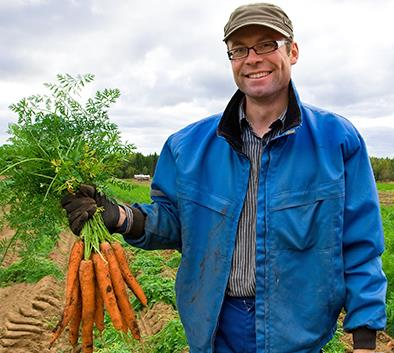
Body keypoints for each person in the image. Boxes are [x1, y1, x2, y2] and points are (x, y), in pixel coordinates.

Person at [61, 3, 387, 353]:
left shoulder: (336, 141)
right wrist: (122, 217)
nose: (253, 58)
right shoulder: (187, 147)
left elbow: (361, 243)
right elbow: (174, 222)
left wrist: (365, 340)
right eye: (239, 49)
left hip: (297, 331)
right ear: (231, 60)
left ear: (292, 52)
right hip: (216, 330)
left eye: (266, 44)